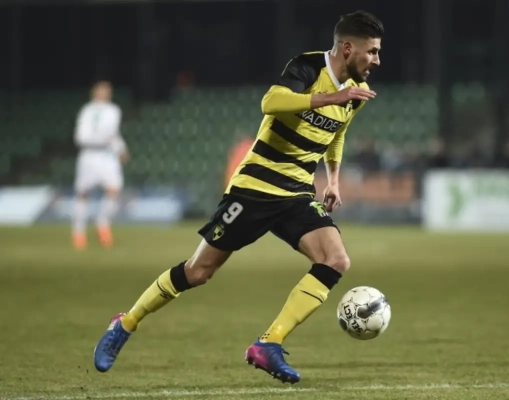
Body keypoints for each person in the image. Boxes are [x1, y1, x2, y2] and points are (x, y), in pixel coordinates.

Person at [93, 10, 383, 384]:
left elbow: (337, 133)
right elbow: (271, 102)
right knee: (198, 271)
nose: (377, 60)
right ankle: (126, 323)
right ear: (347, 48)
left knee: (336, 259)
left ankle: (269, 343)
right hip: (254, 187)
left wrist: (334, 180)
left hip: (296, 192)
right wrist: (331, 96)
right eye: (372, 51)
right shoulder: (308, 67)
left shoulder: (355, 94)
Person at [72, 81, 129, 249]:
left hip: (106, 155)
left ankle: (102, 223)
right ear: (94, 92)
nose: (105, 93)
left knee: (114, 189)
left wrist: (121, 148)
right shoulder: (86, 110)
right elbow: (80, 136)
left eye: (107, 90)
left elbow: (112, 133)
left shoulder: (113, 110)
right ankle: (78, 232)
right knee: (83, 193)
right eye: (102, 90)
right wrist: (99, 139)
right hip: (89, 154)